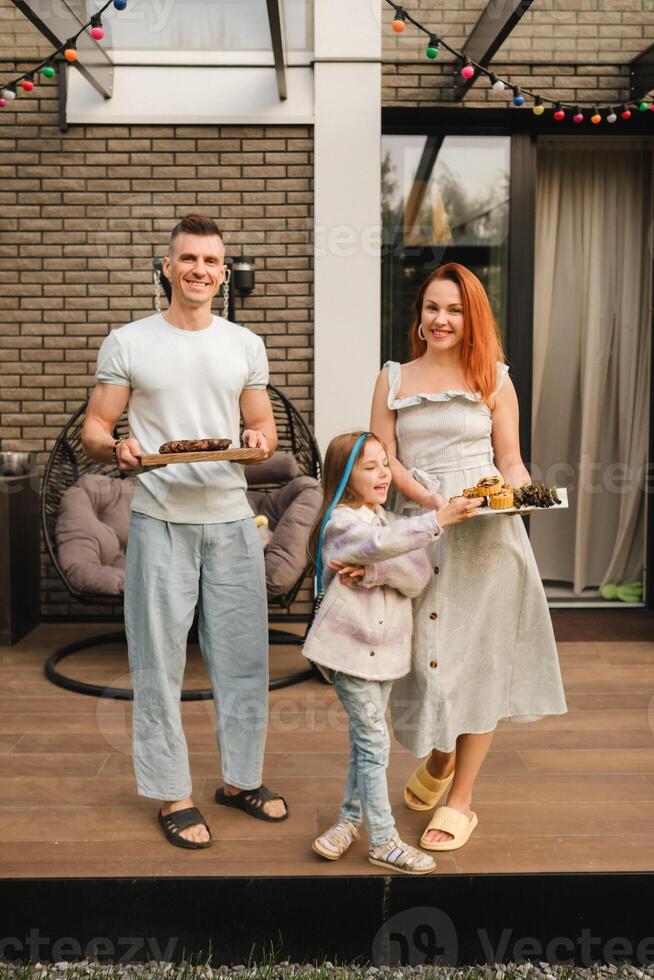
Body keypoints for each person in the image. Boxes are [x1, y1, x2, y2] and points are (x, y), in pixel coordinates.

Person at [82, 213, 287, 849]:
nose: (200, 270)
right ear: (167, 267)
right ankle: (174, 791)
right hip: (159, 520)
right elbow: (94, 426)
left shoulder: (244, 344)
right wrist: (119, 448)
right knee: (158, 661)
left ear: (223, 274)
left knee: (245, 660)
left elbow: (264, 431)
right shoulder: (128, 341)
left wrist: (256, 440)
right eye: (188, 259)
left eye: (211, 262)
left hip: (230, 521)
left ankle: (241, 780)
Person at [370, 262, 567, 852]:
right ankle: (439, 751)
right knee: (426, 655)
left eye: (454, 310)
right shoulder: (393, 379)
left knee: (479, 661)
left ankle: (461, 800)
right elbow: (384, 459)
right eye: (432, 307)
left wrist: (517, 494)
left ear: (471, 316)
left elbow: (510, 460)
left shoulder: (493, 378)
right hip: (422, 529)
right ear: (419, 314)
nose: (441, 319)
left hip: (487, 537)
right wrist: (431, 502)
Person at [303, 430, 481, 874]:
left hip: (386, 654)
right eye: (371, 467)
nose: (384, 474)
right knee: (373, 740)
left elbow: (417, 577)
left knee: (364, 742)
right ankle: (383, 839)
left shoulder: (386, 521)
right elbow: (377, 547)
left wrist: (375, 572)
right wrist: (437, 519)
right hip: (347, 654)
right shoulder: (341, 522)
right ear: (346, 476)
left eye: (386, 464)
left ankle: (348, 820)